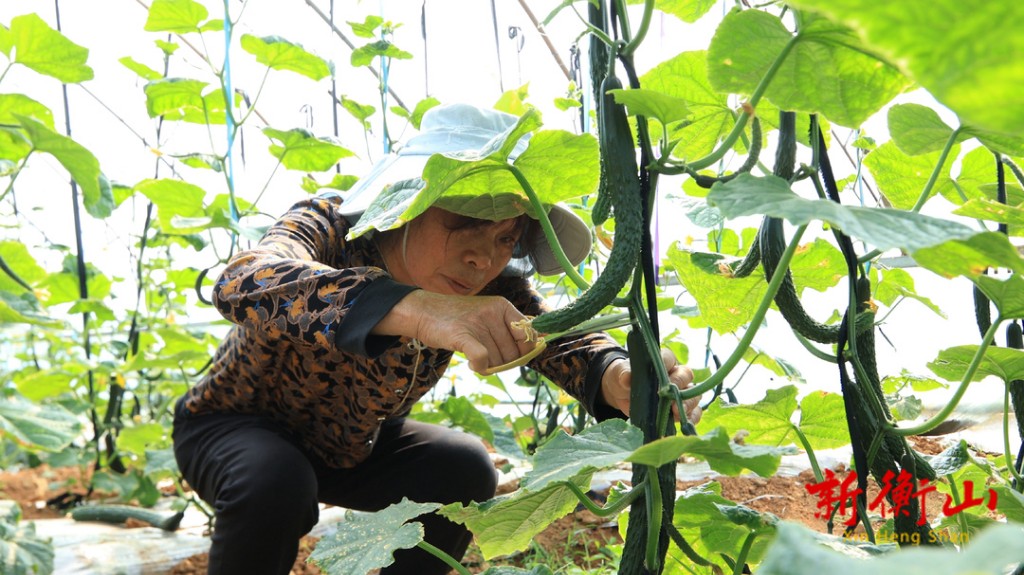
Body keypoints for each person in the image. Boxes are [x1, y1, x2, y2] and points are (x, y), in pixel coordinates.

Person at [171, 103, 701, 575]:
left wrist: (617, 375)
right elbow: (243, 279)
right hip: (231, 428)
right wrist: (418, 310)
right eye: (462, 222)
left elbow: (556, 339)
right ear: (409, 204)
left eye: (505, 236)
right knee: (276, 481)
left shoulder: (492, 284)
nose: (483, 257)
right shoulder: (332, 225)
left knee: (463, 468)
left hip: (356, 448)